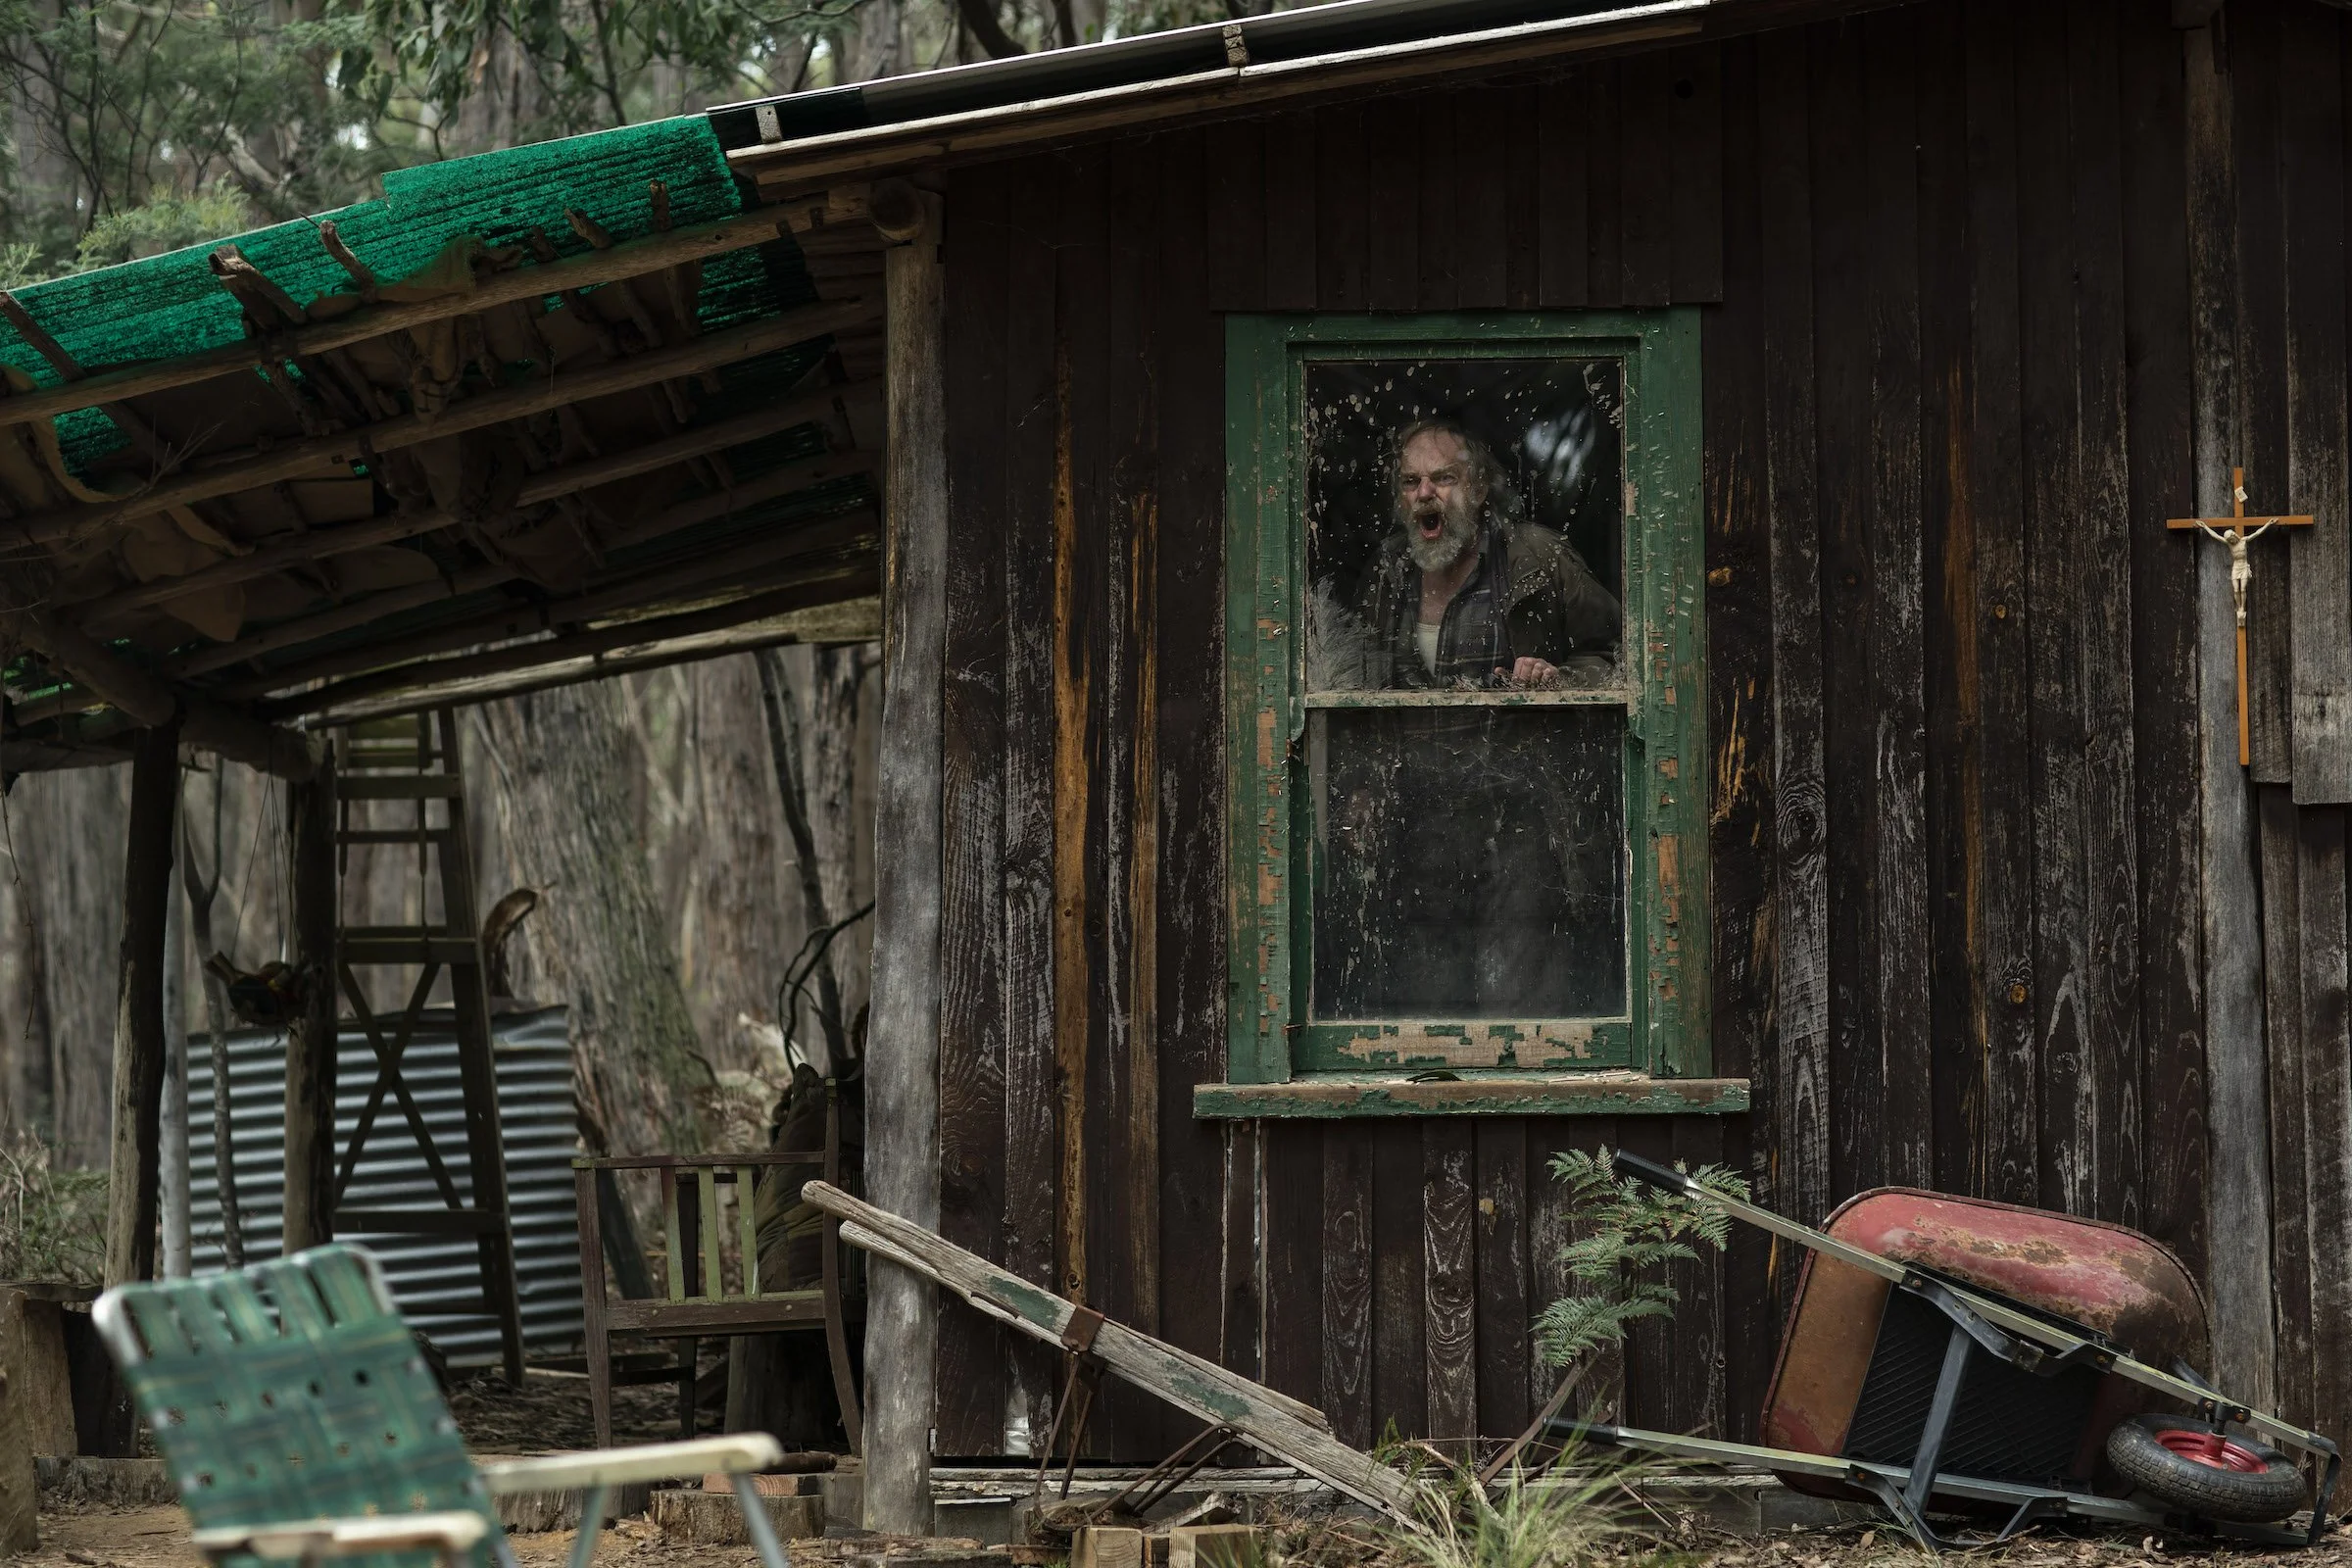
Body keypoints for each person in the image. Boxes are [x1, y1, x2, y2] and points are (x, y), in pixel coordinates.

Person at [1352, 417, 1619, 689]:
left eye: (1444, 477)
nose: (1423, 493)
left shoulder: (1540, 556)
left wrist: (1557, 680)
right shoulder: (1386, 569)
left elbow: (1616, 657)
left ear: (1478, 490)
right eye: (1410, 481)